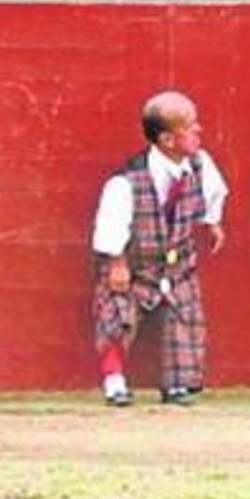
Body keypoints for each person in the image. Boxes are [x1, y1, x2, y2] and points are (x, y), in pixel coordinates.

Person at [92, 90, 230, 407]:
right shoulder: (126, 181)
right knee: (117, 315)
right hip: (136, 265)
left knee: (185, 317)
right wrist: (117, 261)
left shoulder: (200, 163)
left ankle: (179, 383)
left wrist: (212, 222)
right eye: (190, 126)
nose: (199, 130)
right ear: (167, 139)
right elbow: (111, 223)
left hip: (177, 261)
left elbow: (213, 194)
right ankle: (114, 380)